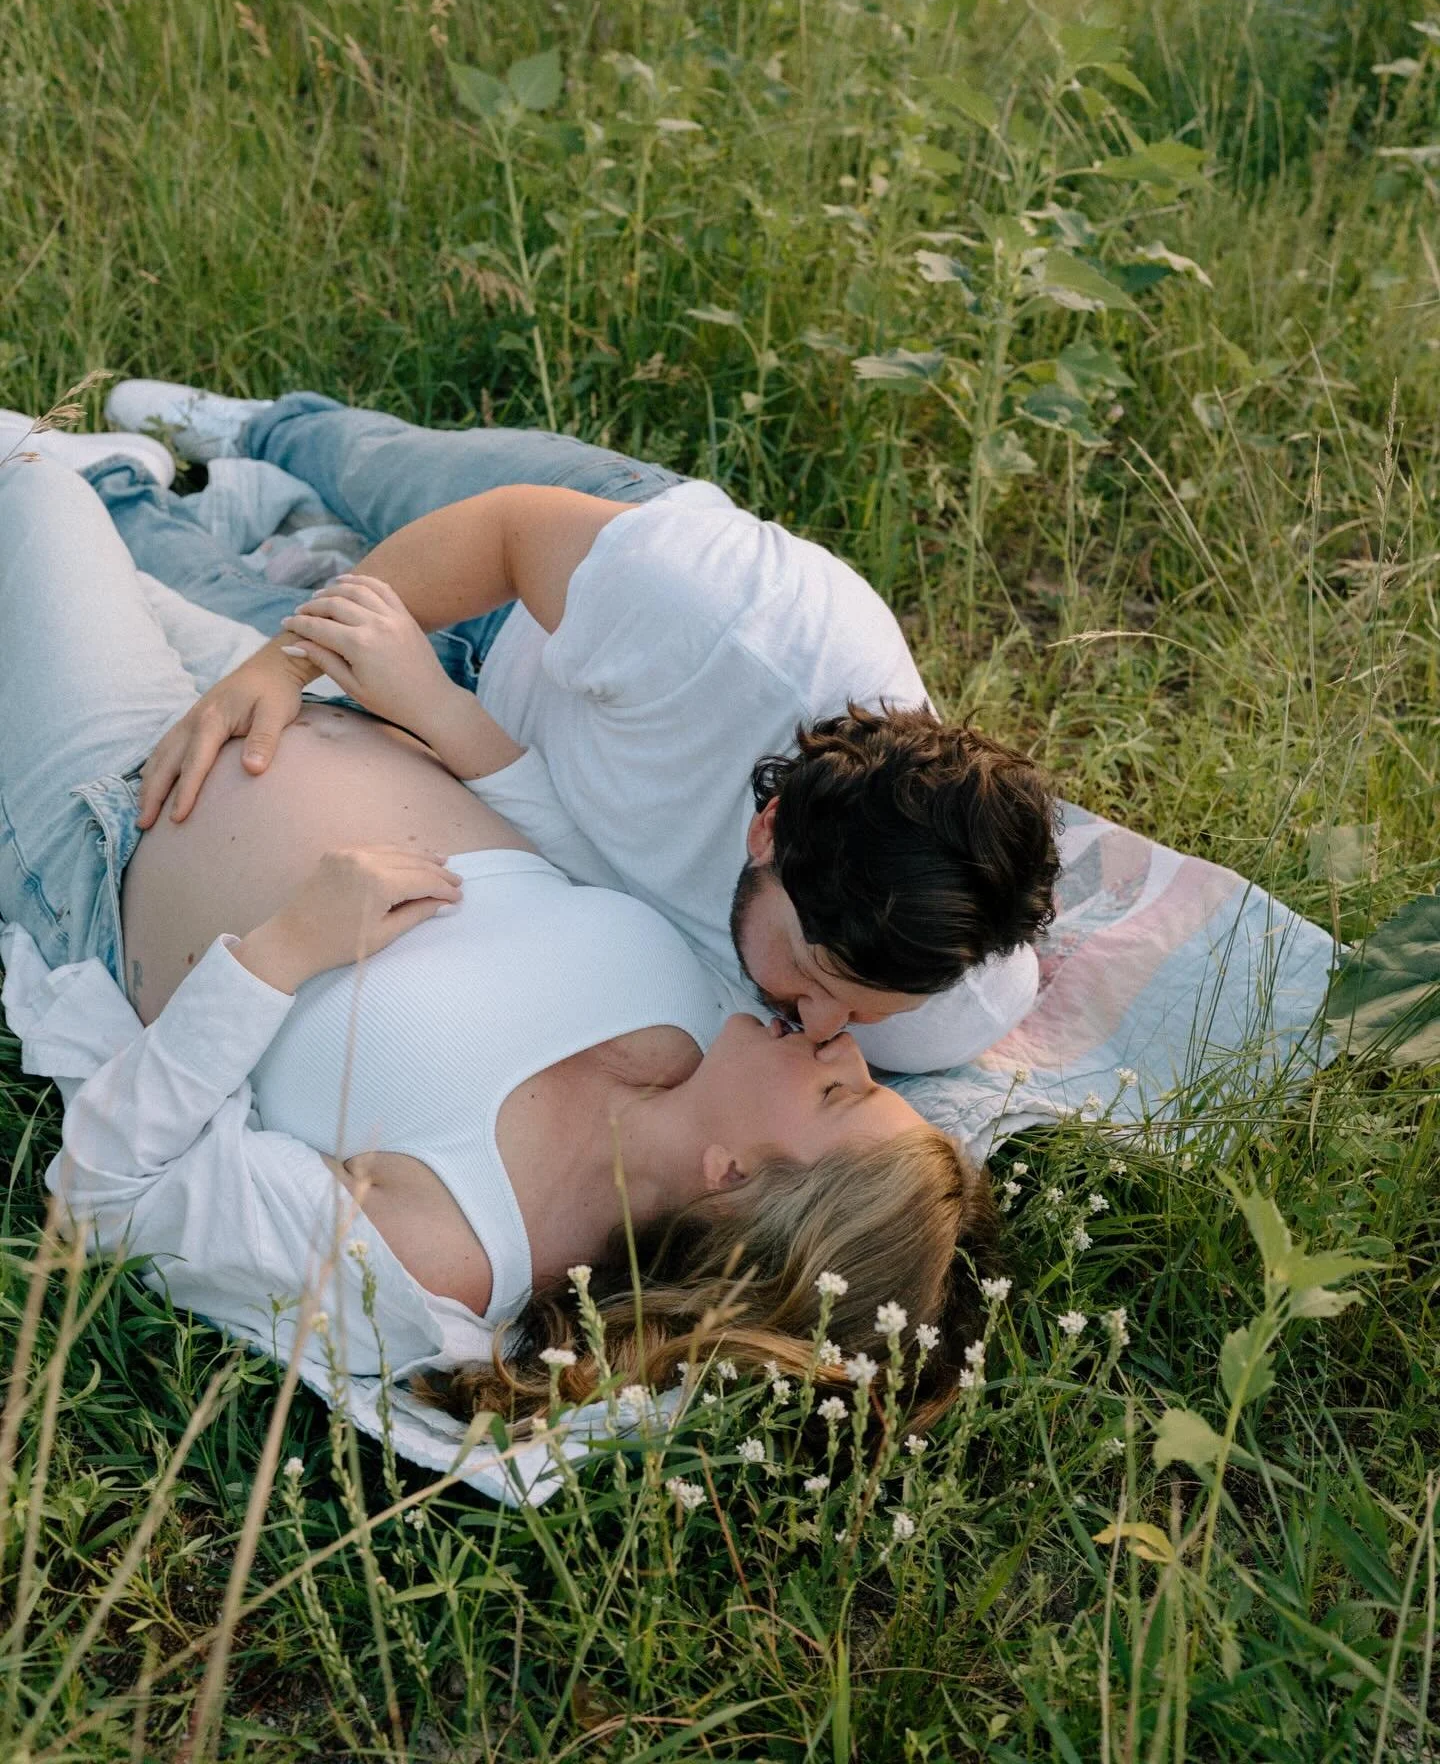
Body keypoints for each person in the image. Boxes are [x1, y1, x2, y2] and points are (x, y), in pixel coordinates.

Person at [0, 442, 1001, 1432]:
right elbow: (558, 854)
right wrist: (428, 704)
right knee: (95, 539)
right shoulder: (711, 1021)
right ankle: (168, 493)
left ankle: (136, 483)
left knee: (35, 483)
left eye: (840, 1093)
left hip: (118, 809)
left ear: (732, 1175)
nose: (845, 1046)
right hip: (310, 700)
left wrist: (286, 952)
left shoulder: (447, 1252)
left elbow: (104, 1194)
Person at [91, 381, 1061, 1075]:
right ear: (768, 832)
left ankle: (110, 487)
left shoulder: (940, 997)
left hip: (470, 737)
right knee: (375, 471)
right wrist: (280, 667)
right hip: (549, 579)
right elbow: (504, 535)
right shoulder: (725, 619)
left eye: (860, 1013)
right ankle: (267, 431)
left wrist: (418, 702)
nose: (817, 1028)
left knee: (185, 598)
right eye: (810, 977)